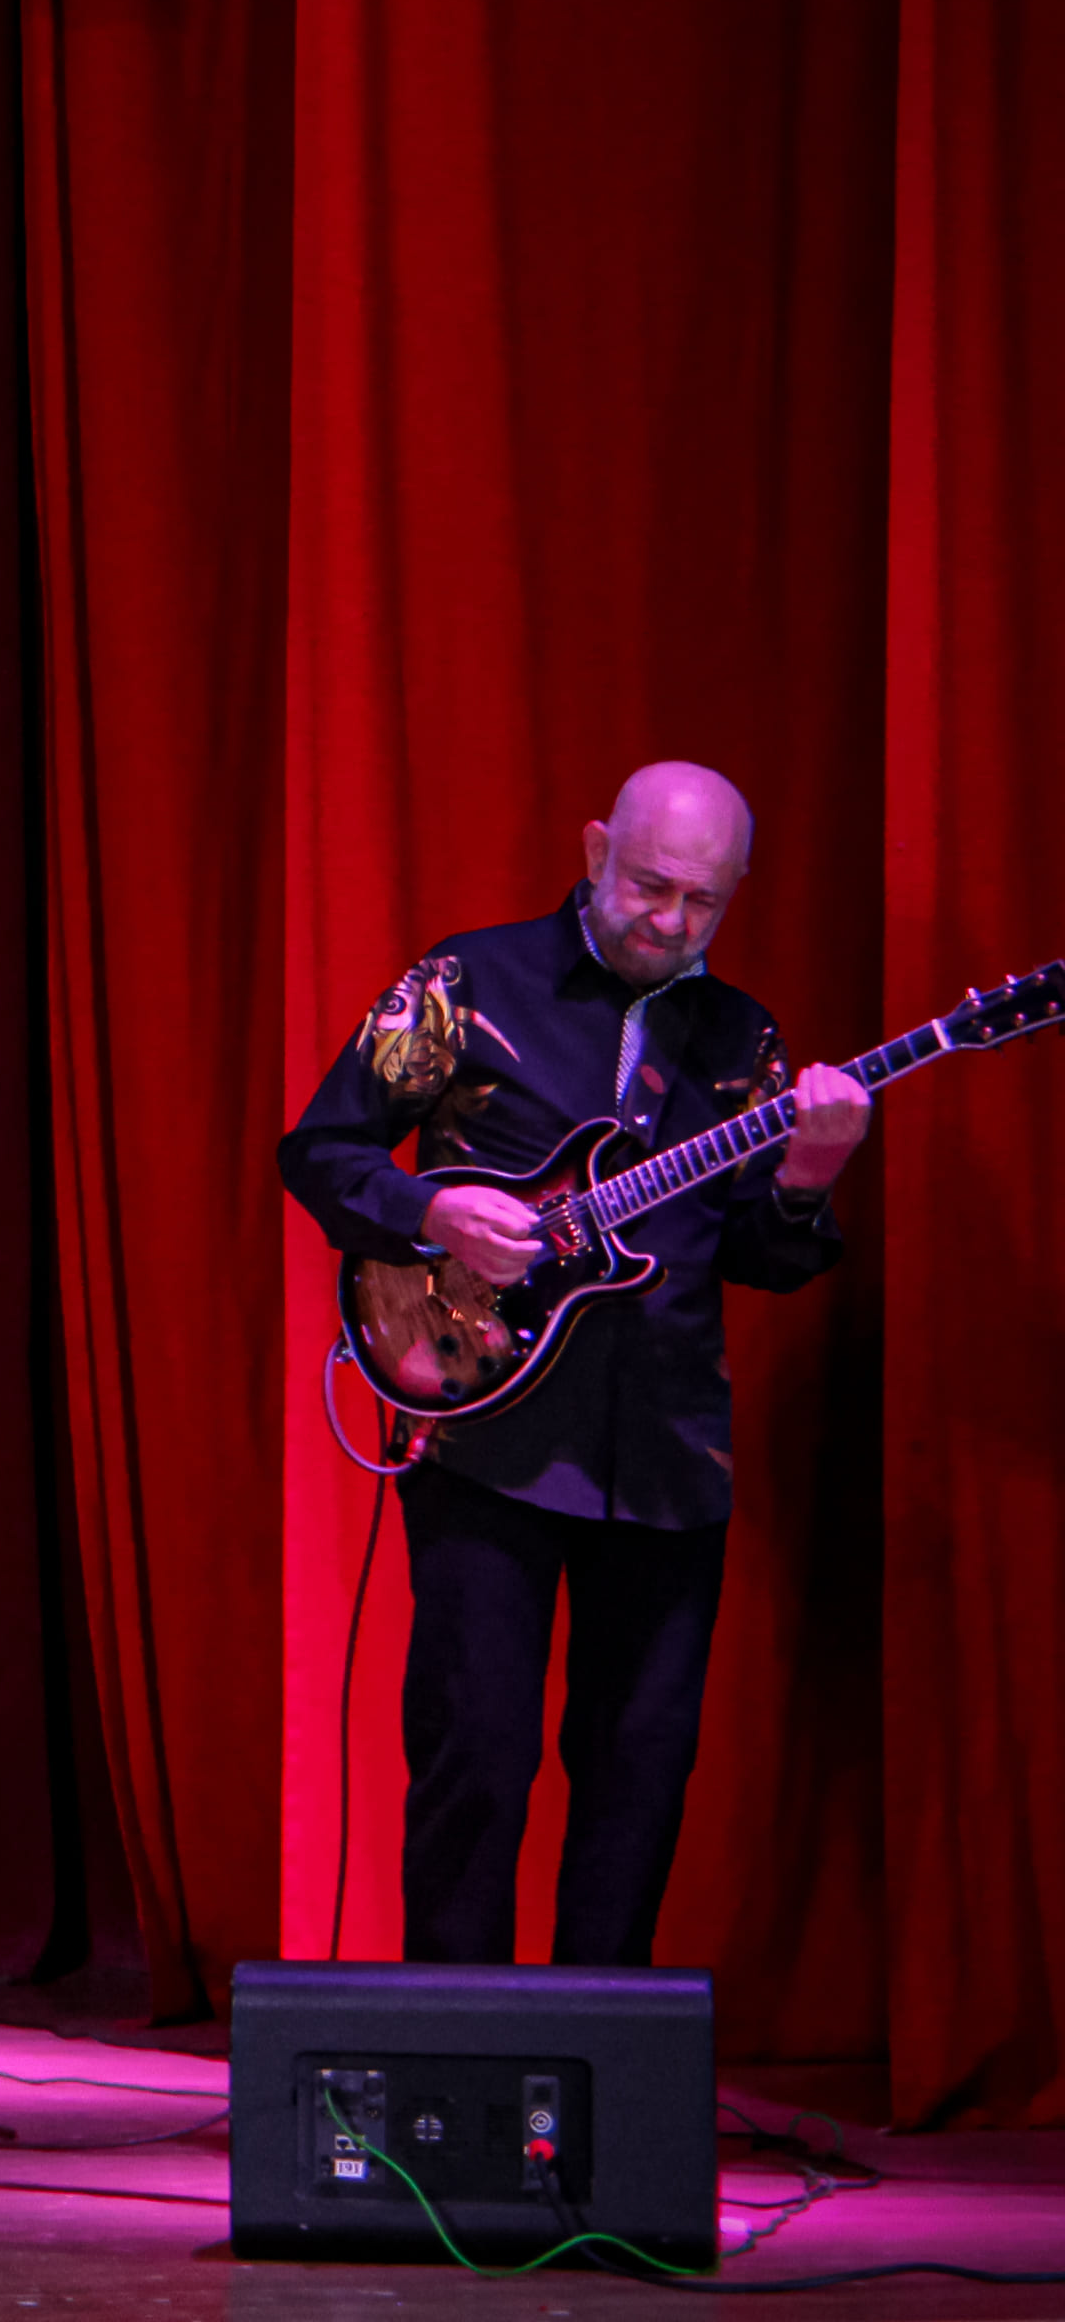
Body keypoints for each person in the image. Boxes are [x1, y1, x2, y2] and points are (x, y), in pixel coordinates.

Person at [276, 760, 869, 1967]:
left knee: (639, 1772)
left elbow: (762, 1257)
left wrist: (808, 1180)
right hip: (485, 1426)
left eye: (703, 901)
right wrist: (431, 1212)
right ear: (597, 850)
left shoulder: (742, 1039)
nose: (672, 921)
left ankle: (603, 2060)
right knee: (475, 1757)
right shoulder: (466, 983)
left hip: (668, 1453)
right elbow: (321, 1150)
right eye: (650, 885)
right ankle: (458, 2050)